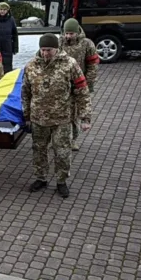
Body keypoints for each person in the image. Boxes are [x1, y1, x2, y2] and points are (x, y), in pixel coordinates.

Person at [22, 34, 91, 197]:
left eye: (49, 50)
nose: (45, 53)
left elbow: (82, 91)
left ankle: (61, 181)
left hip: (62, 118)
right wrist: (26, 115)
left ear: (56, 49)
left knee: (62, 152)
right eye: (43, 49)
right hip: (39, 119)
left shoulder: (70, 64)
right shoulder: (31, 65)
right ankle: (41, 178)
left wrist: (85, 117)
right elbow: (25, 92)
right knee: (39, 150)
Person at [60, 19, 100, 151]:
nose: (68, 36)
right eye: (66, 33)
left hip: (79, 84)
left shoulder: (87, 44)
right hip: (61, 85)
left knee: (74, 114)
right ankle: (59, 139)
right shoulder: (59, 43)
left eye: (71, 33)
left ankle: (73, 140)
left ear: (77, 32)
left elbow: (92, 65)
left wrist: (87, 83)